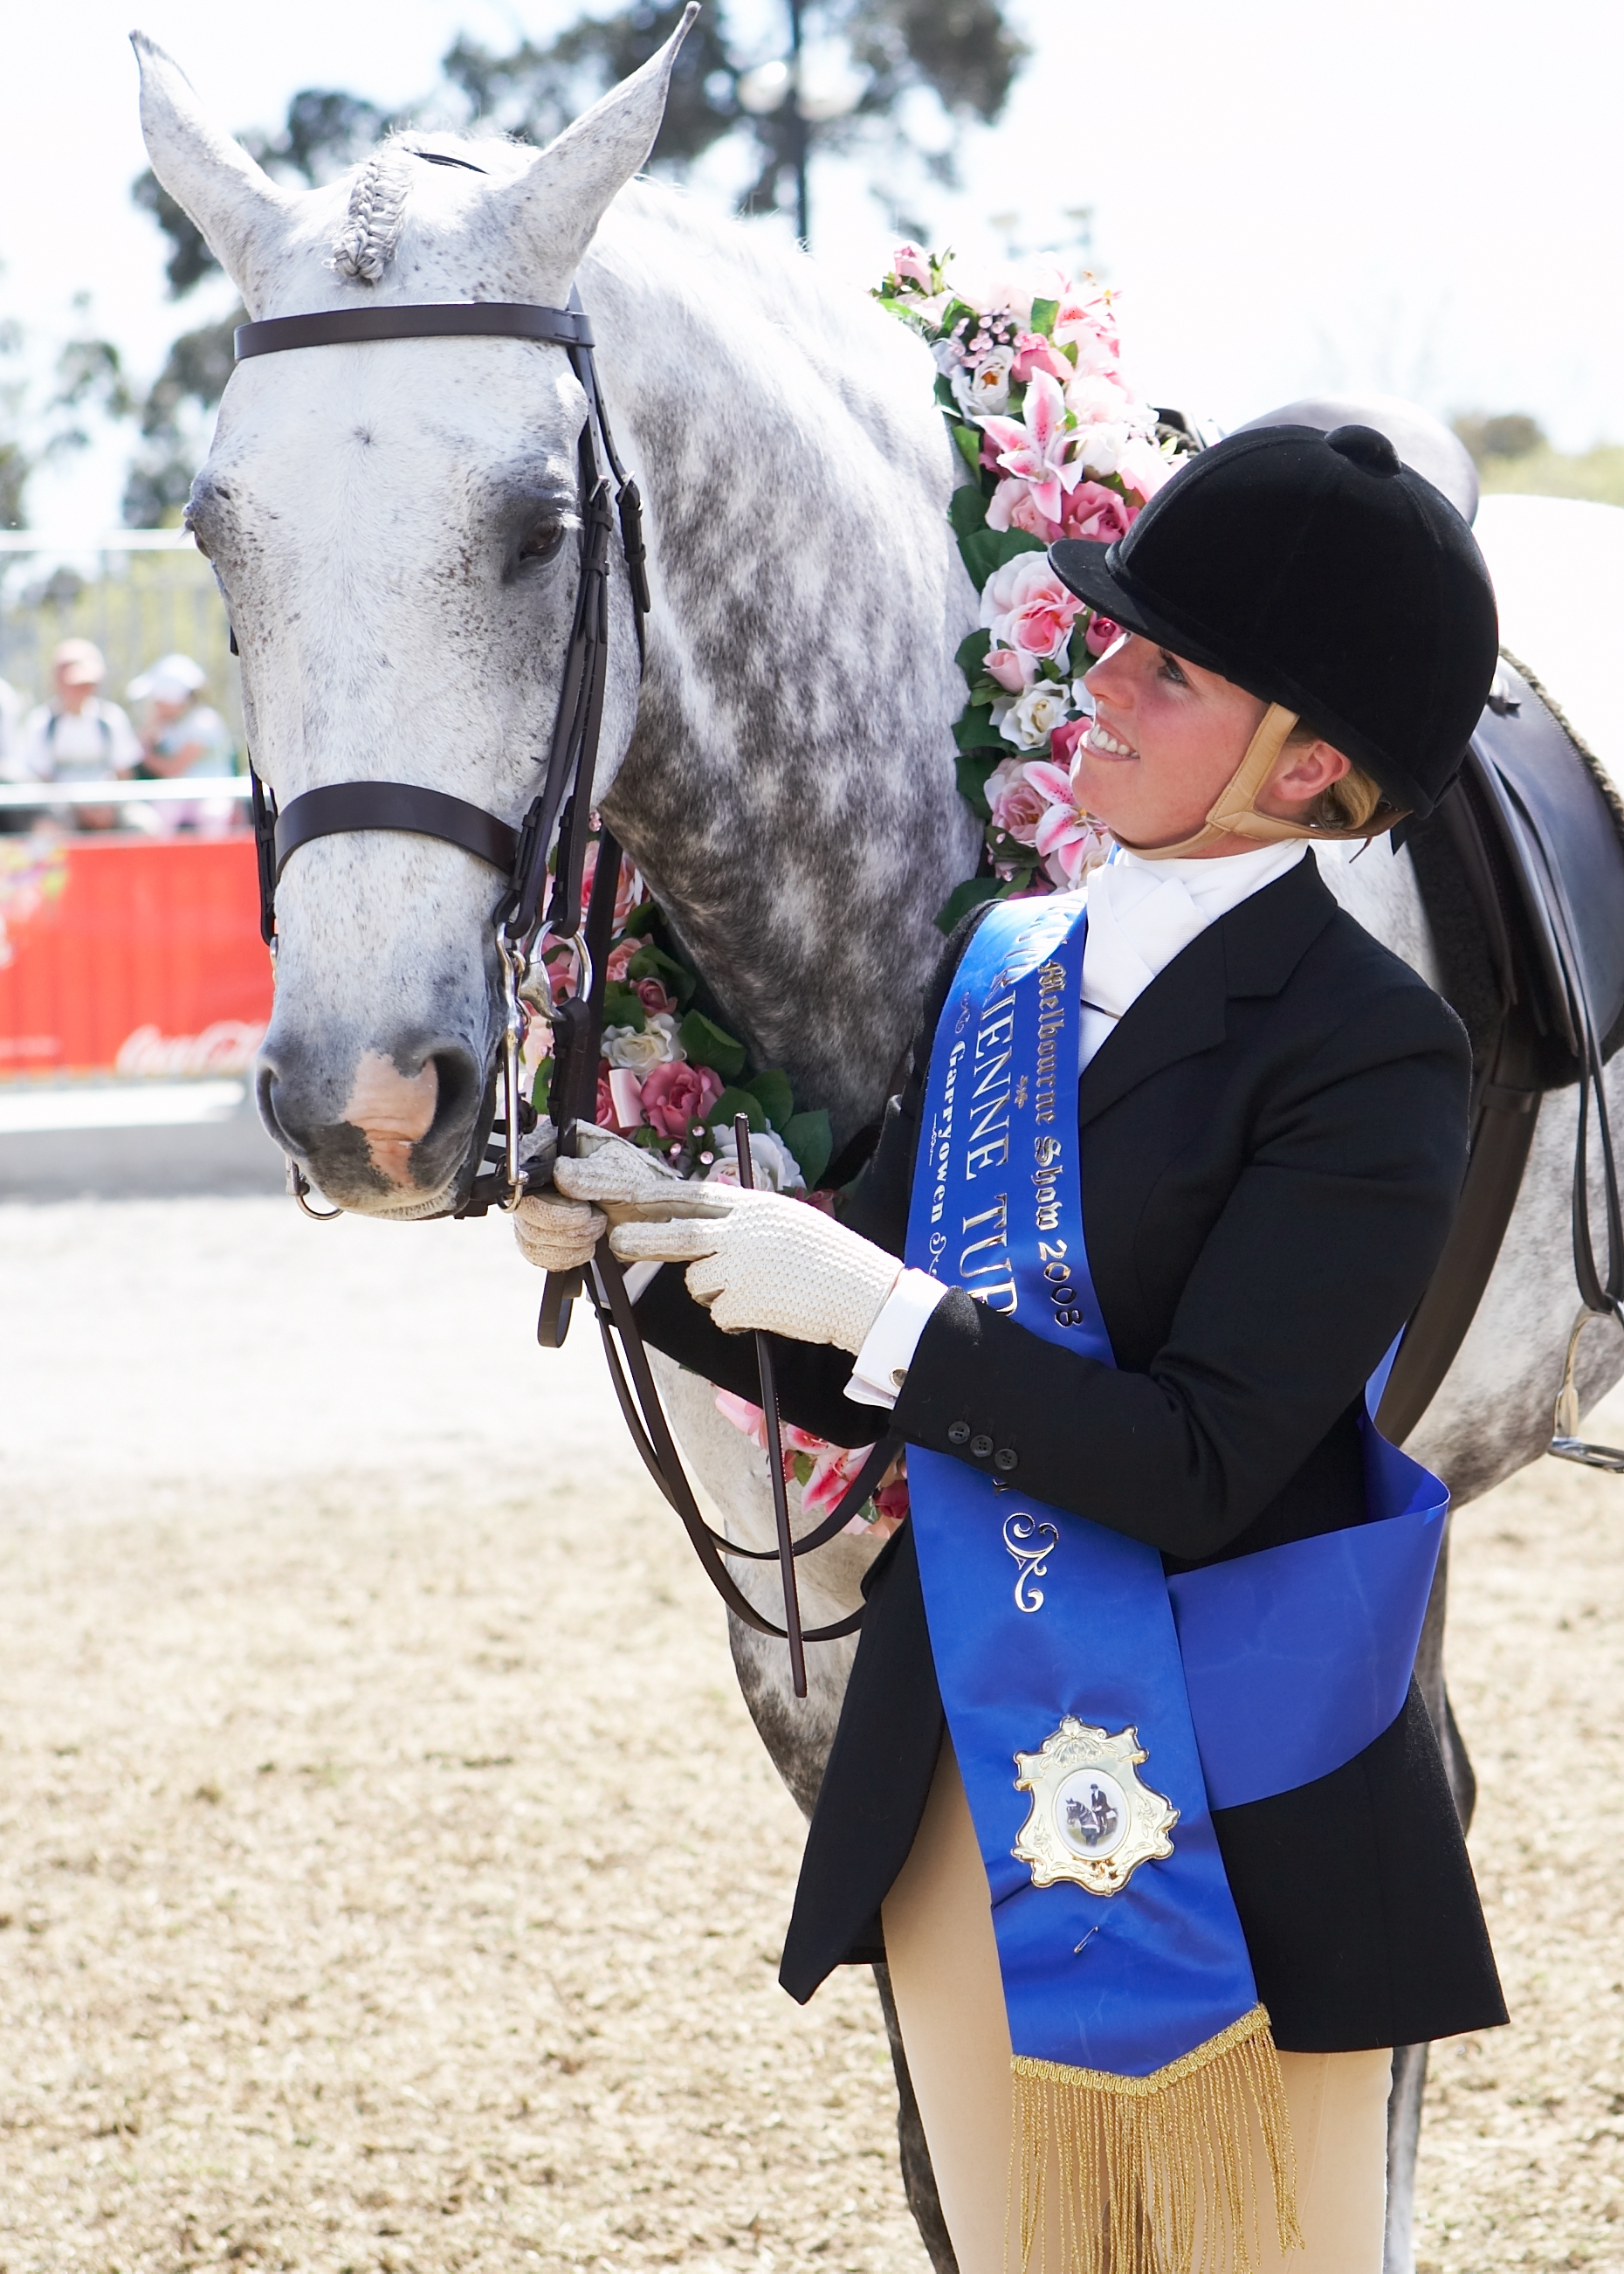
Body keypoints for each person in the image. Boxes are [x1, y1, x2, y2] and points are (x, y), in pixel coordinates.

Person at [515, 424, 1507, 2274]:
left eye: (1172, 668)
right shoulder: (1005, 976)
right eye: (1119, 638)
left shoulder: (1373, 1051)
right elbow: (875, 1367)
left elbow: (1201, 1461)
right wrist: (647, 1249)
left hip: (1244, 1793)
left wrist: (871, 1299)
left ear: (1312, 770)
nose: (1101, 680)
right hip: (967, 1756)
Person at [8, 637, 142, 830]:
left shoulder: (111, 718)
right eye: (76, 683)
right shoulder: (41, 723)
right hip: (60, 809)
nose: (84, 690)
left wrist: (108, 805)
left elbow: (124, 774)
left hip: (109, 805)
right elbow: (41, 780)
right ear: (59, 682)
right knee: (46, 830)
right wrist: (79, 808)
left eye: (89, 683)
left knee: (145, 826)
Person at [127, 651, 238, 833]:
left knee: (211, 817)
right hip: (177, 796)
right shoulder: (169, 725)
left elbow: (174, 768)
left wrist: (144, 754)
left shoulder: (204, 721)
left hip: (211, 794)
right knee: (156, 818)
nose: (155, 704)